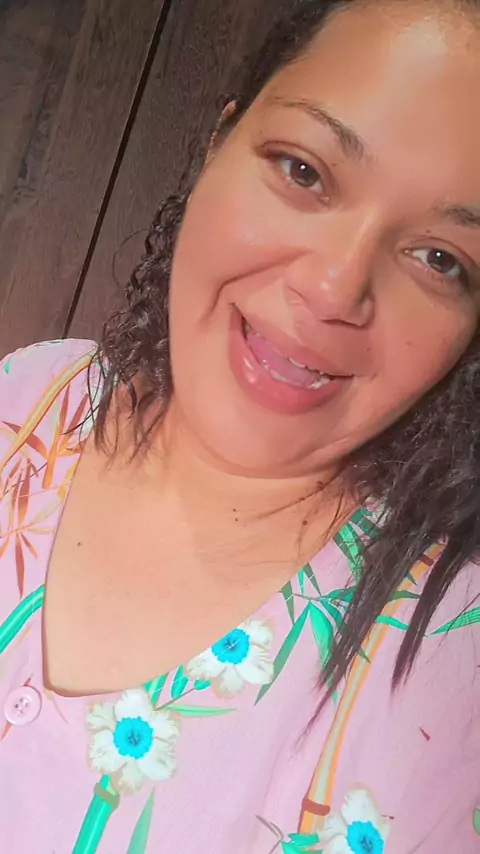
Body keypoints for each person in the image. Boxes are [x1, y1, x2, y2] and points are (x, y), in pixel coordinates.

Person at [1, 0, 479, 850]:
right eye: (304, 171)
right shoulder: (34, 394)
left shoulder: (451, 666)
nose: (333, 289)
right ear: (217, 144)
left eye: (441, 259)